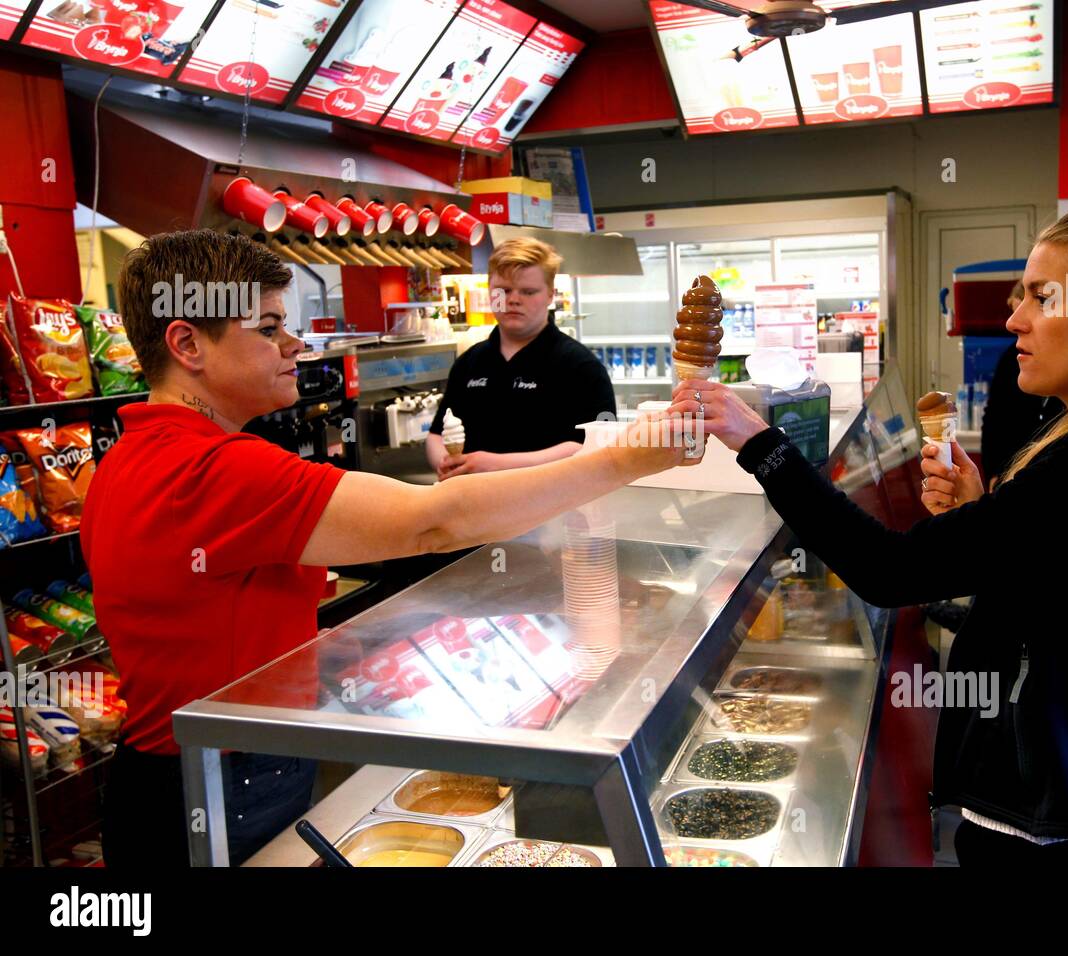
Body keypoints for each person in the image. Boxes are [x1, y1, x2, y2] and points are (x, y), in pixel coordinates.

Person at [82, 230, 689, 867]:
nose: (294, 345)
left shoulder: (124, 459)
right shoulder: (220, 469)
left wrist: (321, 651)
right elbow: (435, 522)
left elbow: (191, 616)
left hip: (160, 779)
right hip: (226, 779)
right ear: (186, 344)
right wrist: (626, 459)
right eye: (267, 329)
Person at [678, 202, 1068, 866]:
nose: (1014, 318)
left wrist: (759, 442)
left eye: (1042, 298)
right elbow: (1067, 587)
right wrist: (985, 510)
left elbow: (887, 570)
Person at [425, 237, 615, 479]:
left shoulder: (579, 365)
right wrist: (446, 462)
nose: (513, 299)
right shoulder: (470, 362)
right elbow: (436, 435)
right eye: (503, 290)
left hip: (553, 507)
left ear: (550, 295)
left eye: (528, 291)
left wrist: (495, 465)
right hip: (475, 505)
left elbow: (592, 446)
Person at [980, 280, 1065, 489]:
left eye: (1041, 301)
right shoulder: (1011, 358)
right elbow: (994, 418)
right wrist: (994, 474)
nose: (1013, 323)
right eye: (1015, 310)